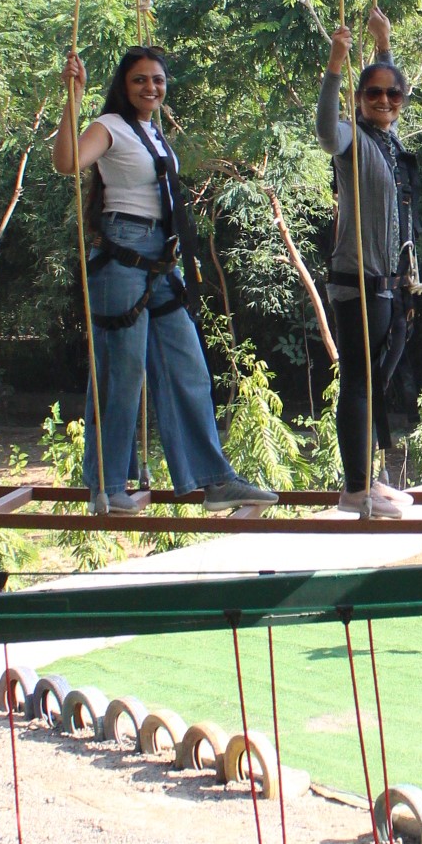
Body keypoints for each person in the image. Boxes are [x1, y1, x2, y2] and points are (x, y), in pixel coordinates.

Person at [53, 45, 277, 516]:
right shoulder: (109, 126)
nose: (150, 87)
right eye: (140, 80)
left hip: (162, 259)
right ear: (123, 85)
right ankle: (108, 486)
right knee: (122, 372)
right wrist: (72, 98)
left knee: (188, 366)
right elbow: (69, 163)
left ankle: (213, 480)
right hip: (122, 253)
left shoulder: (155, 133)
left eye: (157, 79)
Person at [318, 7, 421, 519]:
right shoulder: (353, 141)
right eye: (372, 93)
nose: (383, 99)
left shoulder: (388, 139)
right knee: (359, 379)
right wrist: (336, 66)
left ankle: (369, 479)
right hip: (358, 282)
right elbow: (324, 128)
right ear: (359, 101)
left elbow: (391, 79)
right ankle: (355, 489)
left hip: (391, 286)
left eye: (392, 94)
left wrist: (384, 45)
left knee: (375, 381)